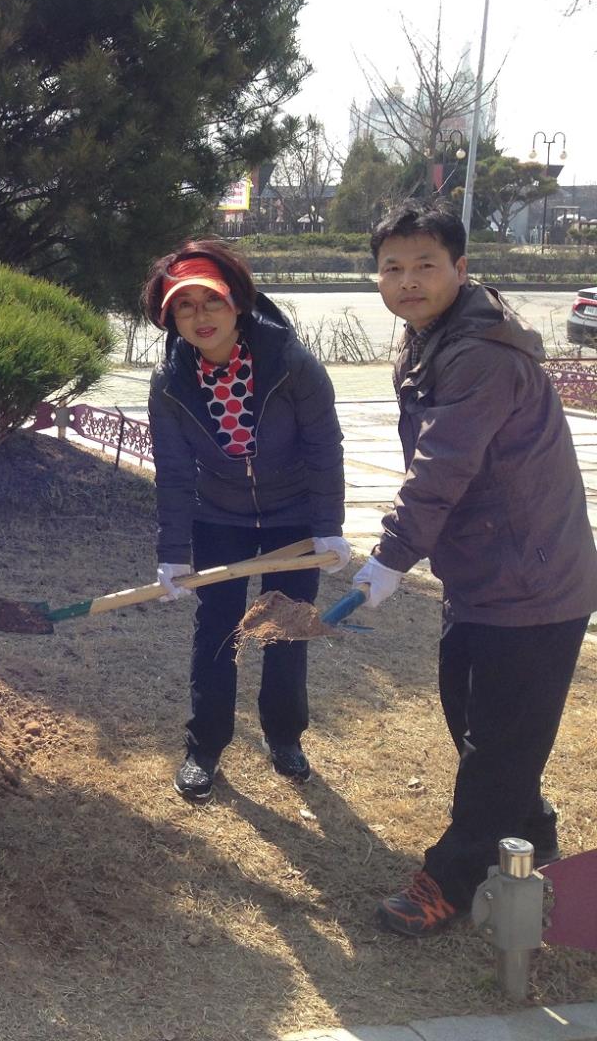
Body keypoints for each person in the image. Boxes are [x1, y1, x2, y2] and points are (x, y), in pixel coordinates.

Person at [352, 200, 597, 937]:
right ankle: (532, 825)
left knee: (494, 742)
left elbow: (443, 464)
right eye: (392, 268)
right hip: (485, 572)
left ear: (462, 269)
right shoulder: (431, 338)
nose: (409, 280)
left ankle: (451, 880)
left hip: (533, 580)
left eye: (426, 264)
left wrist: (392, 554)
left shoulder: (480, 353)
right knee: (472, 715)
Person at [143, 240, 348, 803]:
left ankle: (284, 736)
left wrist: (328, 525)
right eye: (185, 307)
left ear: (236, 303)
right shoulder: (169, 385)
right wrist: (173, 552)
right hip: (220, 519)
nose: (201, 317)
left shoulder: (289, 362)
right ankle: (204, 745)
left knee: (285, 628)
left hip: (293, 517)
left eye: (211, 301)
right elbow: (176, 473)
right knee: (217, 631)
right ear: (170, 317)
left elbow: (323, 445)